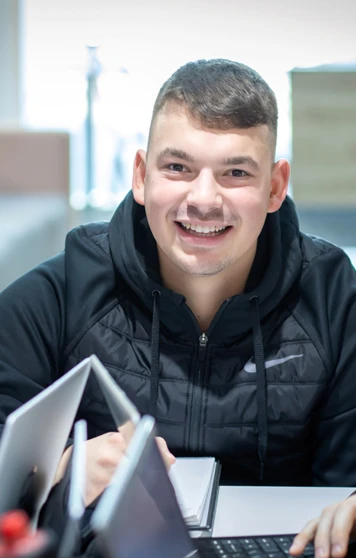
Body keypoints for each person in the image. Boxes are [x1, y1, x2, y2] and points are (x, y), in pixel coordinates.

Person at [1, 59, 356, 546]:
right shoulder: (61, 294)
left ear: (275, 187)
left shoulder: (334, 297)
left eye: (235, 171)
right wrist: (60, 473)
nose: (204, 199)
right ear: (142, 176)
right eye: (177, 167)